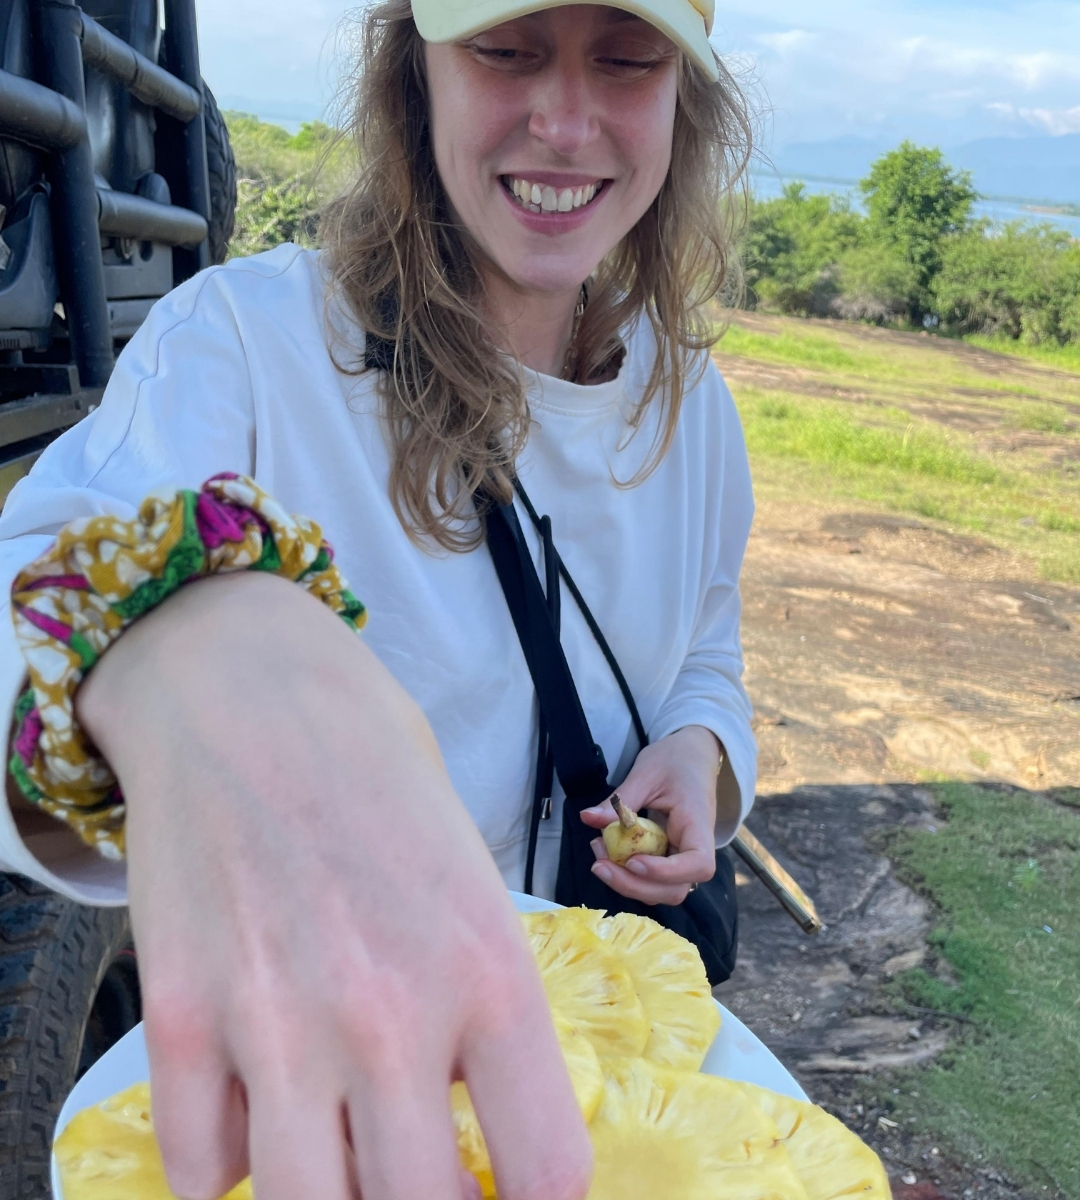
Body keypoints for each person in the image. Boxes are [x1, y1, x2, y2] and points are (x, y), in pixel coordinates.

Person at [0, 2, 756, 1197]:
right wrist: (180, 650)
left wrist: (702, 746)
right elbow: (30, 607)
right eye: (505, 51)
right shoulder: (248, 346)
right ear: (417, 74)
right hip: (313, 1108)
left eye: (626, 60)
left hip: (578, 1080)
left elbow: (708, 639)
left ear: (683, 100)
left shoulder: (691, 405)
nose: (566, 123)